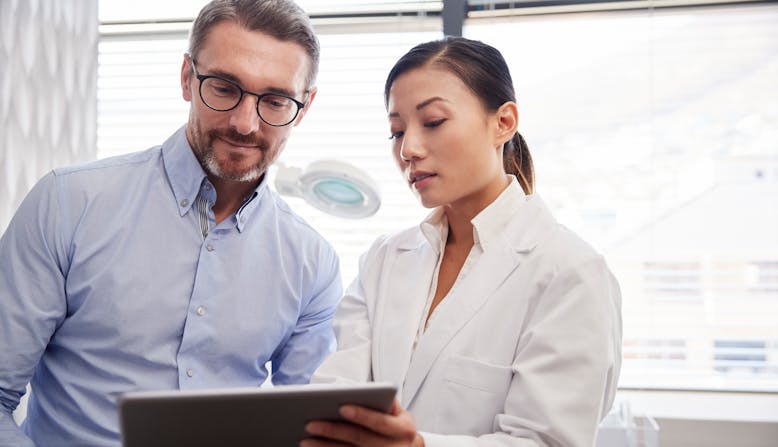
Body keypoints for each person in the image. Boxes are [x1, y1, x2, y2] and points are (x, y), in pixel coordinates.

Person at [0, 1, 343, 445]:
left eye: (275, 101)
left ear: (305, 105)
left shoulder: (313, 263)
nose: (244, 123)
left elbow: (314, 430)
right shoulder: (67, 203)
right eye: (224, 88)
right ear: (187, 77)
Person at [304, 37, 622, 447]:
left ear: (503, 122)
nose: (408, 149)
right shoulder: (384, 260)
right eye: (396, 132)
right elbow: (336, 400)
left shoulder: (570, 273)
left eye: (433, 122)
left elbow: (547, 441)